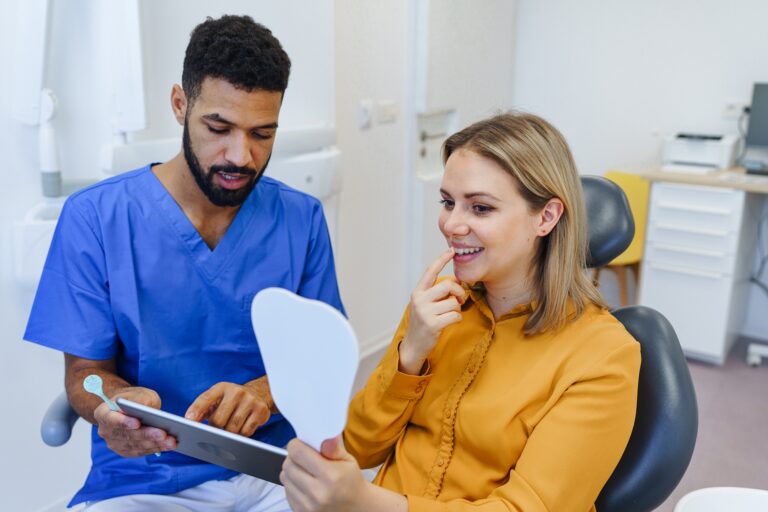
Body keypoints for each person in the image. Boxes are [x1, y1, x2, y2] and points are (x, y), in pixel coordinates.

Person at [24, 15, 344, 511]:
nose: (241, 155)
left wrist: (266, 391)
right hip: (145, 481)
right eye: (219, 128)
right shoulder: (97, 219)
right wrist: (108, 401)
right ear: (180, 104)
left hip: (275, 474)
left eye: (263, 133)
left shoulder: (300, 220)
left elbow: (322, 357)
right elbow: (83, 375)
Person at [280, 112, 641, 512]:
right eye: (448, 202)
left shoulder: (604, 355)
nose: (451, 224)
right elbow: (361, 448)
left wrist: (364, 501)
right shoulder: (436, 308)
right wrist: (410, 355)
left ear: (546, 217)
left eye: (480, 208)